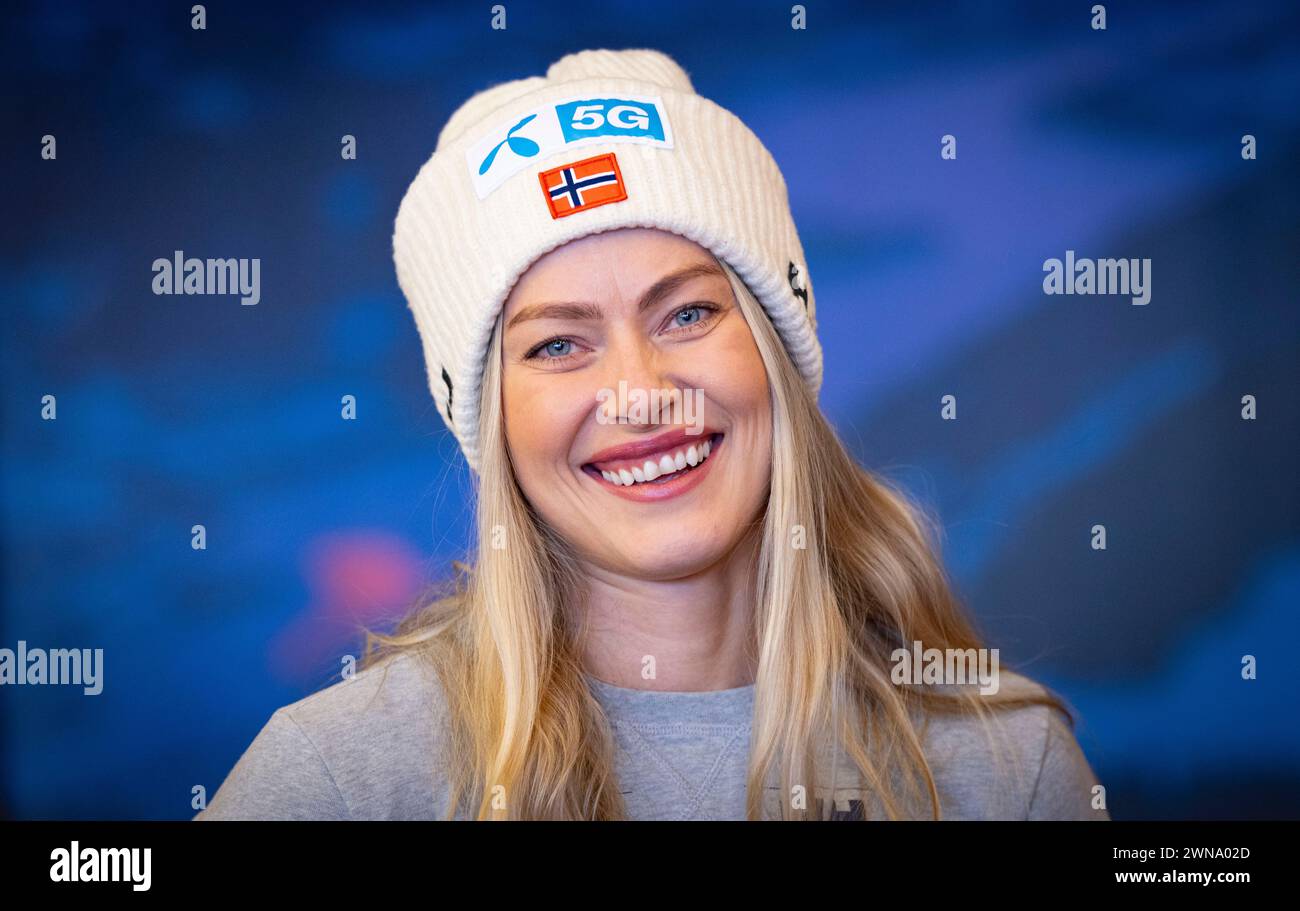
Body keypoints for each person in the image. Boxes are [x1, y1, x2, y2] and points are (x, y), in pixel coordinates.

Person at [195, 48, 1109, 821]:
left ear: (778, 345)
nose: (639, 393)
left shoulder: (1005, 772)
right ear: (490, 416)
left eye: (687, 315)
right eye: (558, 344)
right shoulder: (342, 780)